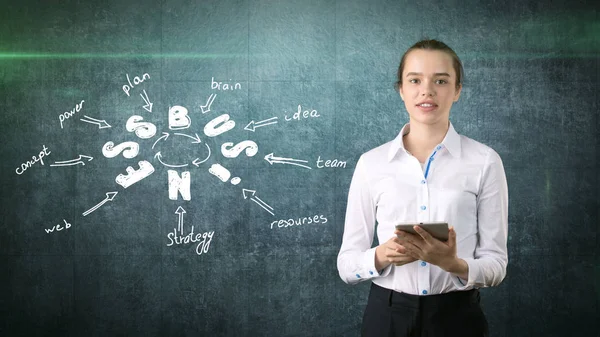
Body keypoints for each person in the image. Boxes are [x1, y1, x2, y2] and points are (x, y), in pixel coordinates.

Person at [337, 39, 508, 337]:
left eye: (441, 81)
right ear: (401, 89)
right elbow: (347, 264)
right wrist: (382, 255)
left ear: (457, 90)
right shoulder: (371, 164)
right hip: (387, 316)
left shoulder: (485, 161)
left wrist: (453, 264)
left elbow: (496, 264)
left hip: (458, 317)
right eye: (414, 80)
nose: (426, 90)